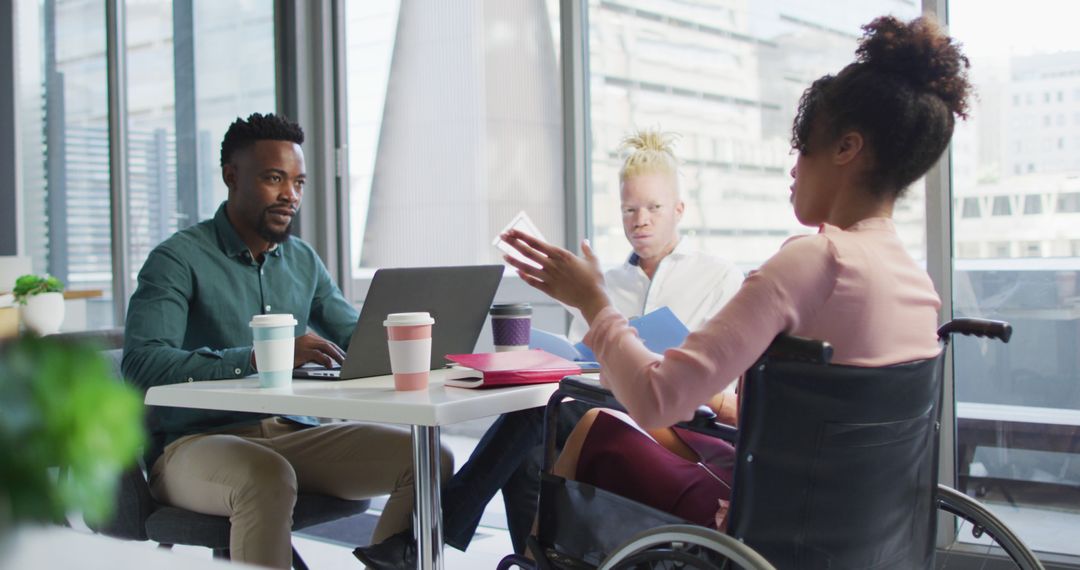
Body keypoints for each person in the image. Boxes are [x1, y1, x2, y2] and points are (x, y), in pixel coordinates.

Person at [500, 14, 967, 531]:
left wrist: (593, 302)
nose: (794, 168)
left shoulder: (815, 261)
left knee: (593, 430)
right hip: (863, 528)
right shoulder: (916, 286)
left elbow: (658, 399)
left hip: (772, 526)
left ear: (846, 149)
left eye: (802, 148)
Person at [352, 129, 743, 566]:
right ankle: (536, 556)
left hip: (681, 417)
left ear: (679, 209)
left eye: (653, 208)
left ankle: (448, 540)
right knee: (533, 431)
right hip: (609, 397)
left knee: (537, 413)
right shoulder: (609, 281)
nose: (641, 220)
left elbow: (726, 377)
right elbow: (587, 359)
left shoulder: (719, 276)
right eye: (630, 209)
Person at [122, 112, 452, 570]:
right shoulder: (177, 259)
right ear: (231, 177)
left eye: (298, 182)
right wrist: (259, 358)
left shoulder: (301, 260)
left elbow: (356, 335)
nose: (290, 196)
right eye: (275, 179)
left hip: (292, 433)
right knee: (266, 475)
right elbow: (142, 364)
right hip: (193, 444)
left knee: (426, 458)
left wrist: (431, 346)